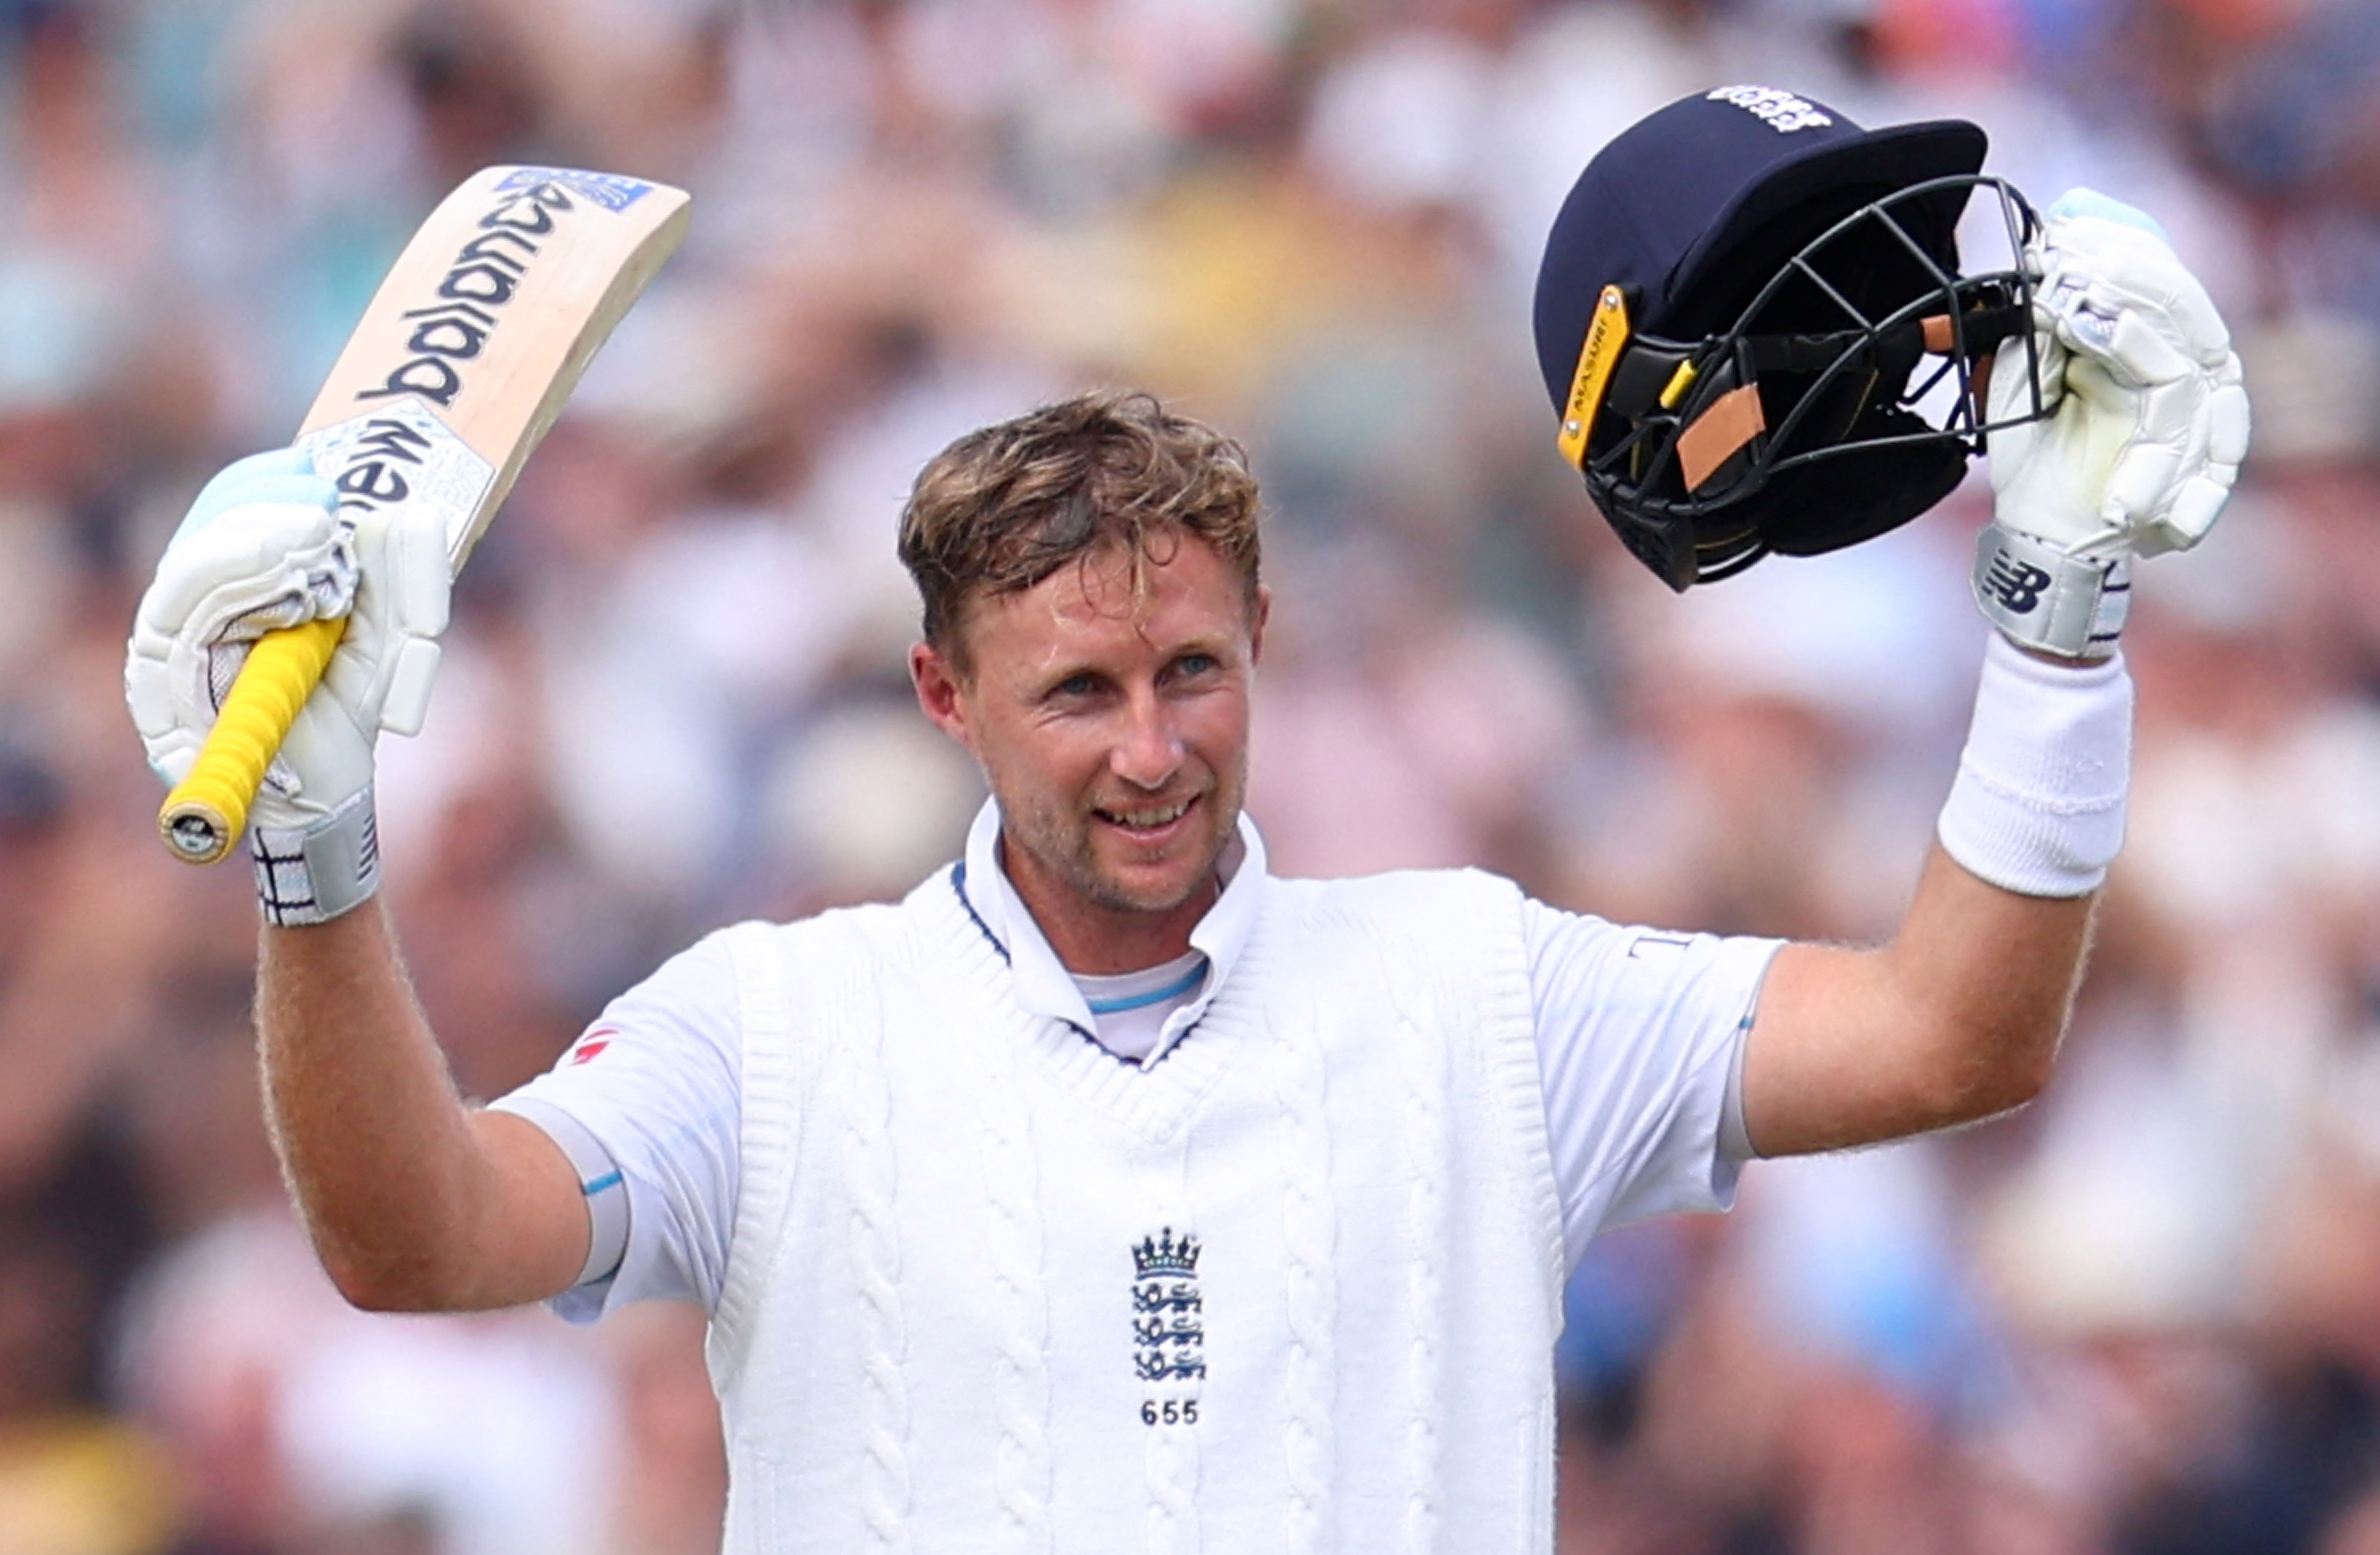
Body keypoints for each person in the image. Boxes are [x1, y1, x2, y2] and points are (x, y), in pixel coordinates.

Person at [124, 88, 2247, 1552]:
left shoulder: (1475, 988)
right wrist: (318, 859)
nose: (1151, 750)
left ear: (1262, 642)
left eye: (1191, 673)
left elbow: (1953, 1035)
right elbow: (414, 1241)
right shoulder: (769, 1032)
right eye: (1076, 693)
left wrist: (2057, 605)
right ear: (945, 697)